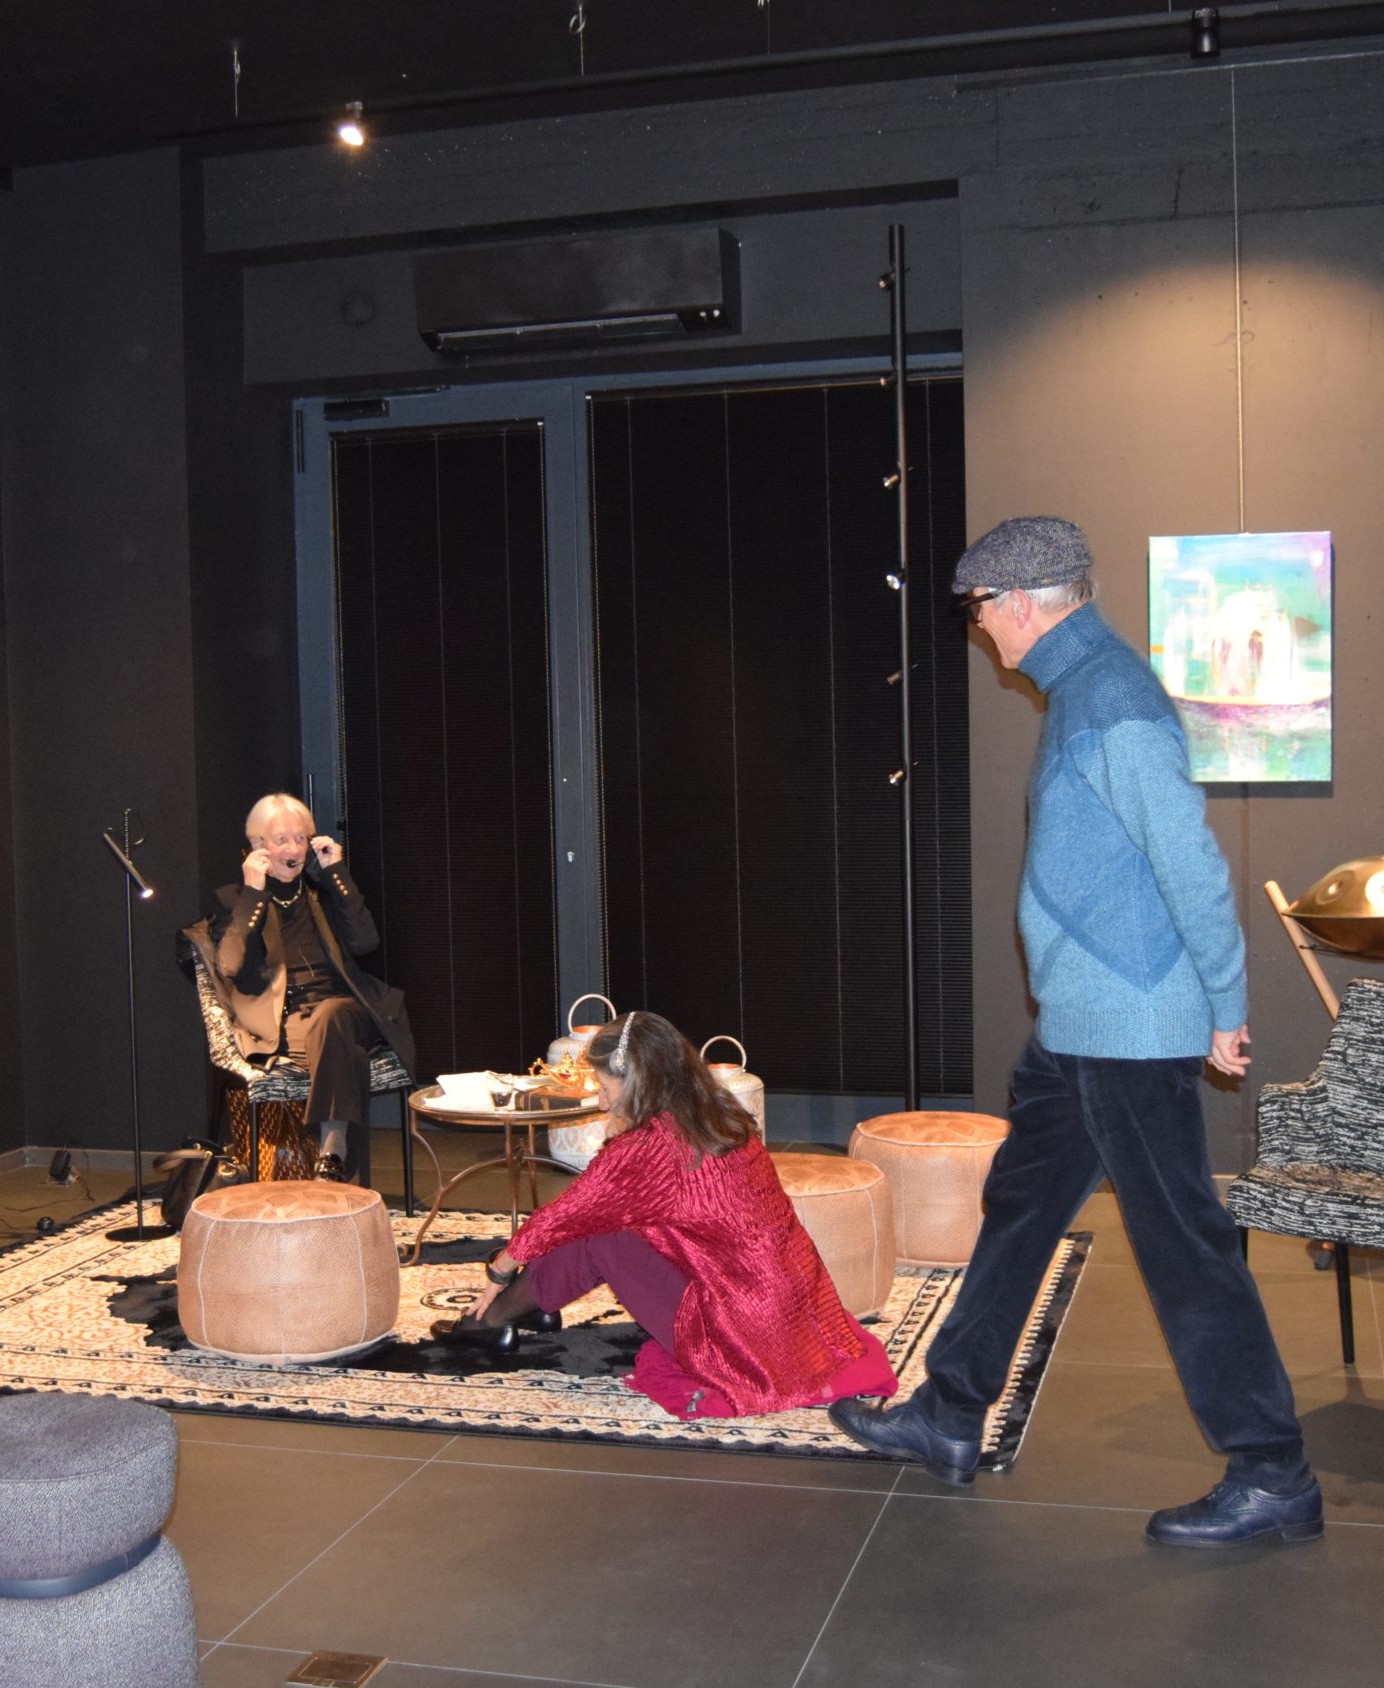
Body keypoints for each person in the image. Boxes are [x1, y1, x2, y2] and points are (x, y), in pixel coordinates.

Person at [828, 515, 1321, 1549]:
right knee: (1020, 1207)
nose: (977, 627)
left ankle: (1273, 1470)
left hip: (1128, 1026)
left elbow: (1189, 862)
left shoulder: (1111, 703)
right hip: (1081, 1026)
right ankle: (950, 1411)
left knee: (1182, 1243)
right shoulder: (1082, 690)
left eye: (977, 610)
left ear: (1020, 603)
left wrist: (1225, 1003)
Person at [456, 1011, 897, 1420]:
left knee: (601, 1229)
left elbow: (564, 1215)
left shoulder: (651, 1147)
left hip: (740, 1336)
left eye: (606, 1088)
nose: (603, 1104)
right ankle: (535, 1305)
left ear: (639, 1083)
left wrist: (500, 1269)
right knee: (604, 1215)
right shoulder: (719, 1113)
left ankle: (493, 1319)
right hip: (795, 1314)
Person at [185, 793, 415, 1183]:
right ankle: (340, 1179)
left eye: (300, 839)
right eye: (281, 840)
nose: (293, 850)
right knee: (343, 1052)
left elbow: (365, 943)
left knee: (332, 1019)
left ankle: (332, 1150)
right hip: (286, 1022)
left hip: (347, 1009)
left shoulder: (323, 893)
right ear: (257, 846)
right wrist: (254, 893)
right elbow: (231, 965)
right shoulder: (237, 901)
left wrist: (336, 872)